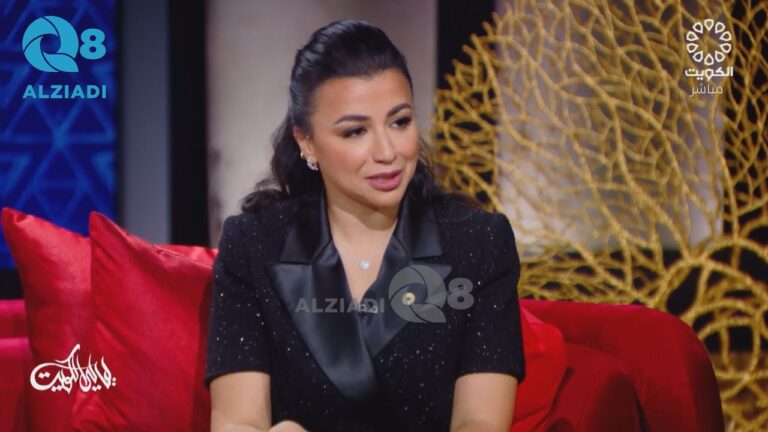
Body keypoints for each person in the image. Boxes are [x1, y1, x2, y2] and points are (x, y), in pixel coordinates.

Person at [204, 19, 525, 432]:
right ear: (306, 142)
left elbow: (480, 423)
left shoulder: (478, 242)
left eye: (399, 122)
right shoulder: (253, 243)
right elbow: (237, 421)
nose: (387, 152)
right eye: (356, 131)